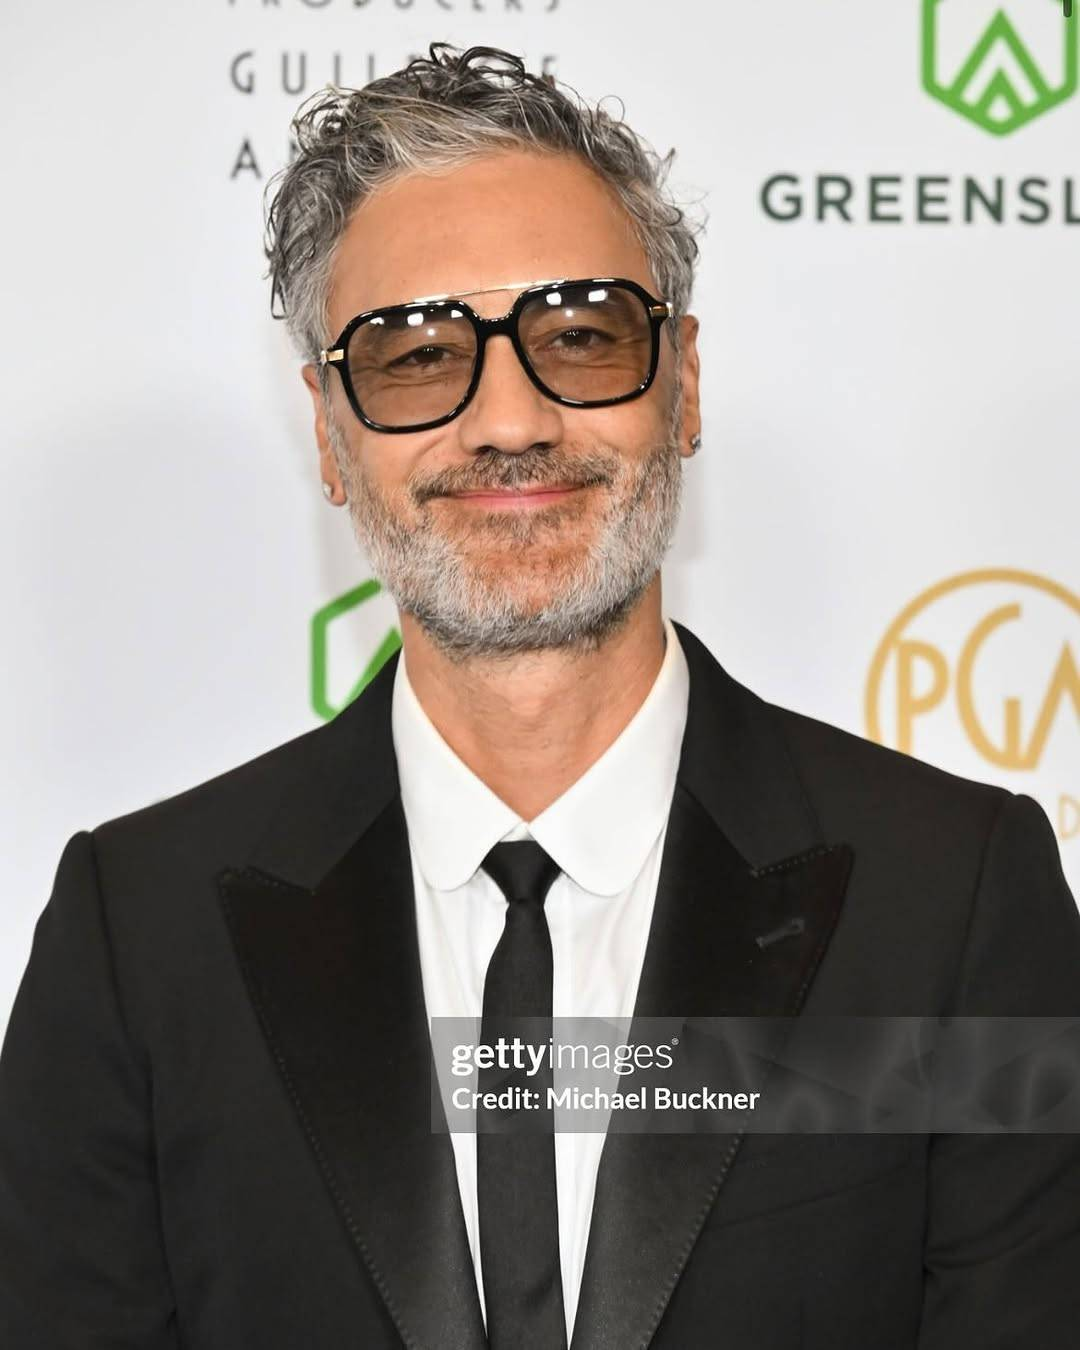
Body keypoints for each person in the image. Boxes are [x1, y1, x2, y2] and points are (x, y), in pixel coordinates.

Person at [2, 42, 1079, 1350]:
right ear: (331, 434)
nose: (509, 417)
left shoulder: (954, 899)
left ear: (681, 382)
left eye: (578, 334)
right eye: (413, 353)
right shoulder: (139, 937)